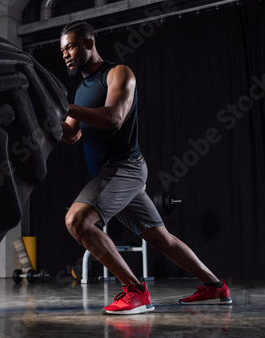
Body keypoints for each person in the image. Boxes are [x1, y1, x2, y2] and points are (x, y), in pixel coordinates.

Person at [59, 20, 231, 315]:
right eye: (63, 50)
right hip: (109, 174)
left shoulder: (118, 73)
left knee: (77, 221)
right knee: (159, 238)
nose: (65, 54)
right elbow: (72, 135)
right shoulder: (80, 90)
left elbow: (114, 118)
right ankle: (216, 287)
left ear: (89, 43)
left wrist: (66, 108)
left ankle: (135, 291)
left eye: (71, 46)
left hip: (125, 167)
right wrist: (46, 116)